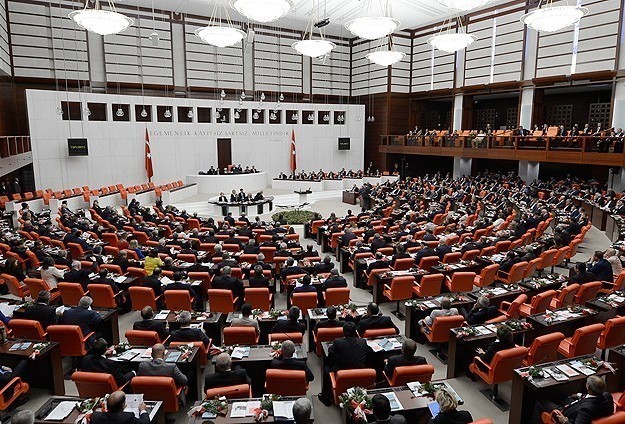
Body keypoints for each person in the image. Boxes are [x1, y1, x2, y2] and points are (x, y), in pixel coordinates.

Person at [319, 322, 372, 406]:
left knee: (326, 368)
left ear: (343, 332)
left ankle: (326, 397)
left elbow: (330, 352)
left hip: (342, 371)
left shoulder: (338, 342)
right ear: (355, 332)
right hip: (359, 371)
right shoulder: (362, 342)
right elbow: (370, 351)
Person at [533, 375, 613, 424]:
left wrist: (564, 421)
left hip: (563, 413)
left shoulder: (586, 410)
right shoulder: (607, 395)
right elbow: (592, 397)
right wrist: (579, 395)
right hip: (576, 404)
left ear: (587, 387)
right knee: (559, 394)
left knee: (540, 400)